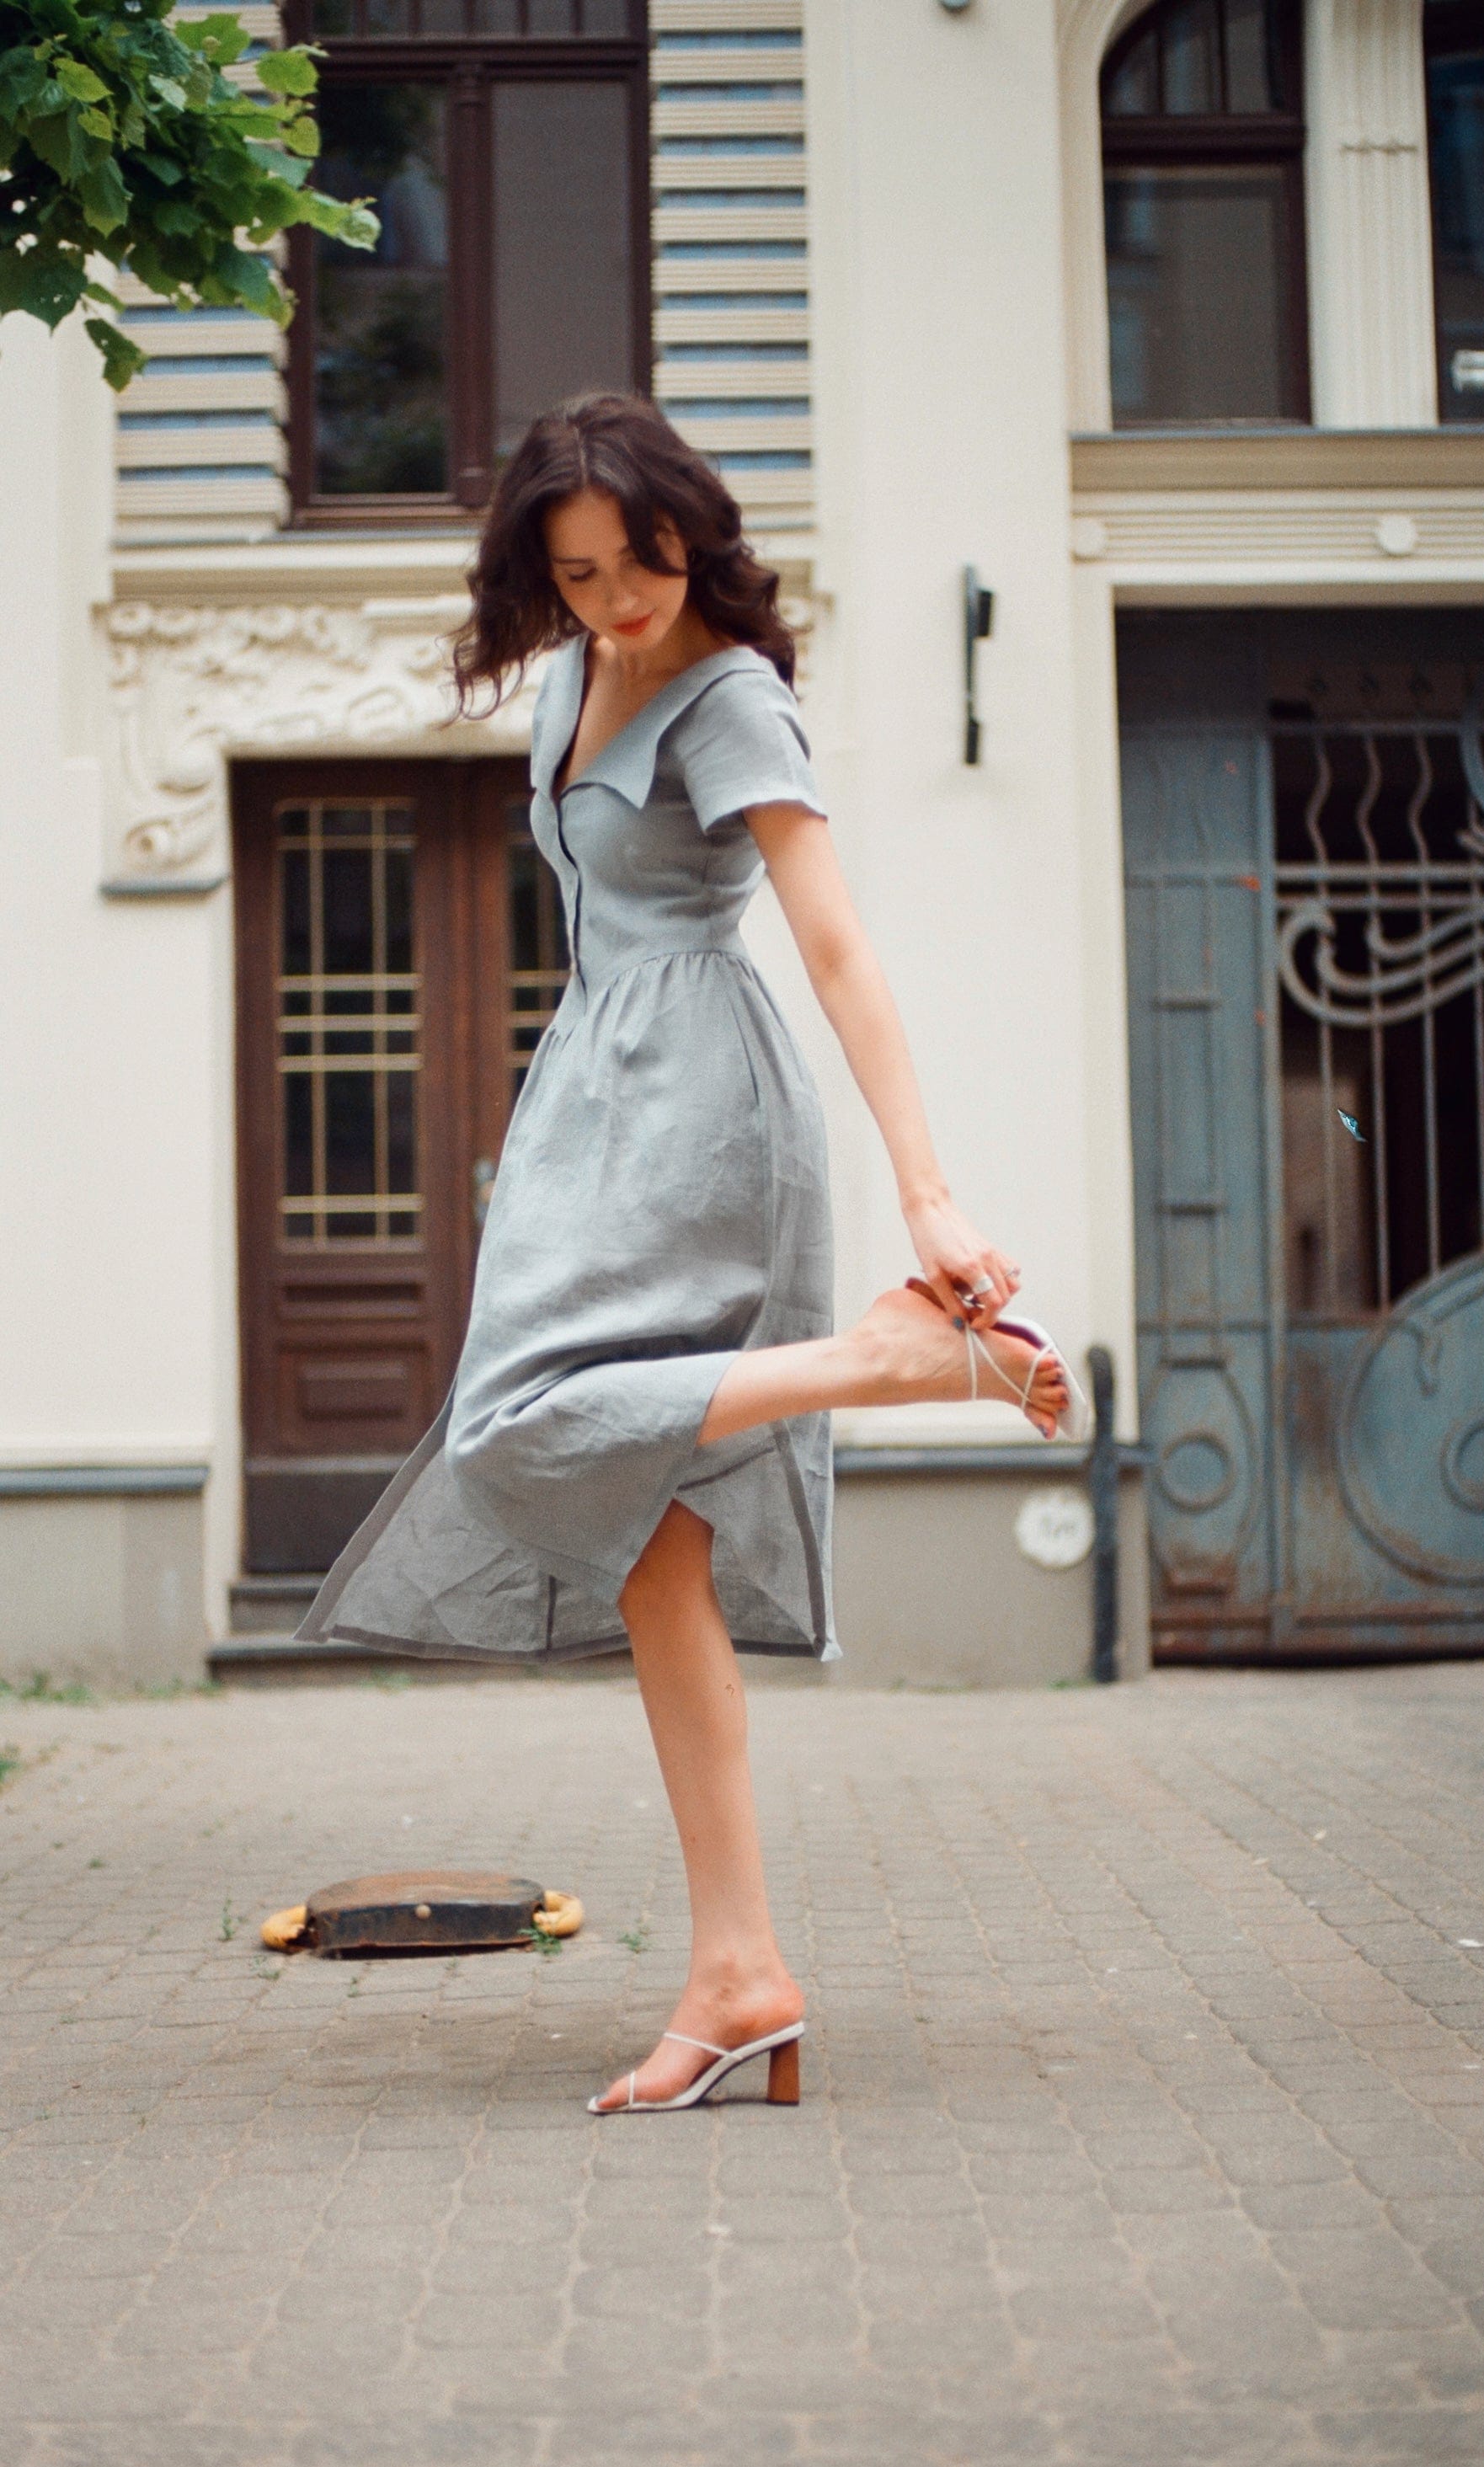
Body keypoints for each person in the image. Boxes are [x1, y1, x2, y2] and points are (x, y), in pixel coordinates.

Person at [297, 393, 1079, 2117]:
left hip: (702, 1105)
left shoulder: (732, 698)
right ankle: (739, 1970)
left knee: (518, 1425)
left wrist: (927, 1193)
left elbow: (838, 946)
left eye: (640, 560)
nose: (614, 598)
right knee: (648, 1548)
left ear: (689, 535)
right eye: (575, 572)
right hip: (590, 1092)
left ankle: (886, 1357)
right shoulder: (571, 675)